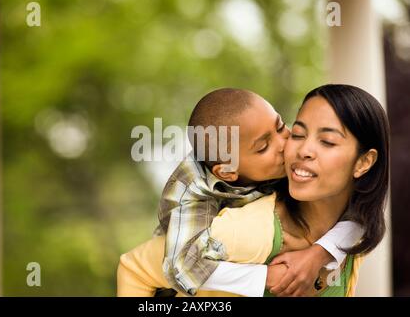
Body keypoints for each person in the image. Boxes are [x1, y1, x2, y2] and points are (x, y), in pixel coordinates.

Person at [118, 85, 377, 296]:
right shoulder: (198, 200)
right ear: (228, 172)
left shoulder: (281, 173)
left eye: (281, 128)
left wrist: (320, 252)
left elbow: (365, 214)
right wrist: (264, 276)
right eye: (263, 147)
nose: (284, 145)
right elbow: (178, 266)